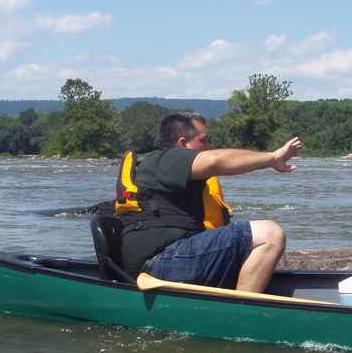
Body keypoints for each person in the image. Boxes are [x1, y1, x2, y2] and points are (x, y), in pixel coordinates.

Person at [115, 112, 302, 293]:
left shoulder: (166, 166)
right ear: (182, 143)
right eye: (204, 140)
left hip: (166, 261)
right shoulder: (168, 158)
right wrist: (273, 158)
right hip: (159, 264)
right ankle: (242, 314)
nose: (209, 146)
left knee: (247, 243)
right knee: (269, 233)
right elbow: (214, 161)